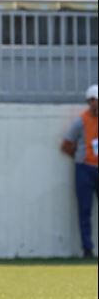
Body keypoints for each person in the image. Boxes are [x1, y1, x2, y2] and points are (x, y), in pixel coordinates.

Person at [61, 84, 98, 259]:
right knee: (84, 210)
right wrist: (80, 157)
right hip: (85, 168)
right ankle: (87, 249)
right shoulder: (80, 121)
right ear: (88, 102)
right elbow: (66, 145)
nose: (95, 104)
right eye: (92, 101)